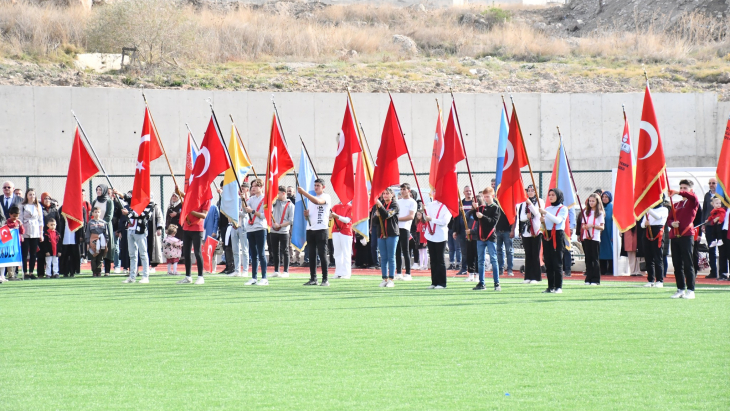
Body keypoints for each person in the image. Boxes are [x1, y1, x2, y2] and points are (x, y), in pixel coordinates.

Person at [667, 179, 700, 299]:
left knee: (688, 263)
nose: (682, 190)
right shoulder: (675, 205)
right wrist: (672, 224)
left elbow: (692, 196)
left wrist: (677, 192)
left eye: (685, 188)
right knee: (677, 264)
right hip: (675, 236)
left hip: (687, 236)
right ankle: (680, 289)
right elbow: (668, 220)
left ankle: (691, 290)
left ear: (690, 190)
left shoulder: (693, 201)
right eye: (681, 187)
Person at [297, 178, 332, 286]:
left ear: (323, 187)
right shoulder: (311, 199)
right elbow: (311, 212)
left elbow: (317, 202)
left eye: (318, 185)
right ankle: (313, 278)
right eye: (315, 185)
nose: (316, 187)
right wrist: (306, 215)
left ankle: (325, 279)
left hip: (321, 229)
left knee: (322, 254)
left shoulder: (326, 197)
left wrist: (304, 193)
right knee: (311, 254)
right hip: (311, 229)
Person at [470, 187, 501, 291]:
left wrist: (482, 216)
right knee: (480, 260)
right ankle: (481, 282)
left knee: (493, 259)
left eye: (487, 196)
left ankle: (496, 283)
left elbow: (492, 222)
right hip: (480, 237)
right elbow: (475, 218)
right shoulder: (482, 207)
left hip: (490, 237)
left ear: (492, 196)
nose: (486, 198)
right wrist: (475, 209)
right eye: (484, 197)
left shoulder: (495, 208)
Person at [176, 189, 209, 285]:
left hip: (197, 228)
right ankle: (188, 276)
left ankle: (200, 276)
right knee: (186, 253)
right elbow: (185, 195)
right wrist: (178, 191)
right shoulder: (192, 196)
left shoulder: (206, 199)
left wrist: (191, 211)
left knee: (197, 252)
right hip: (187, 227)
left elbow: (204, 215)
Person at [539, 188, 569, 294]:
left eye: (553, 195)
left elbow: (558, 220)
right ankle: (550, 286)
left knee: (557, 262)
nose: (550, 197)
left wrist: (545, 213)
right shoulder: (548, 208)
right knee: (549, 262)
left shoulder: (563, 208)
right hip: (547, 236)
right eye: (549, 195)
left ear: (558, 196)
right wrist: (542, 221)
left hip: (557, 235)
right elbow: (546, 224)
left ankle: (558, 287)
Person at [121, 197, 154, 284]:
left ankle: (145, 276)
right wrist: (120, 194)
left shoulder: (149, 204)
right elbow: (127, 198)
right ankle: (132, 276)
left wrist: (128, 213)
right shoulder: (135, 201)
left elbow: (142, 214)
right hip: (130, 229)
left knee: (143, 253)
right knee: (132, 254)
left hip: (140, 231)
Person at [373, 188, 400, 287]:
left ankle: (391, 279)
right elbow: (375, 221)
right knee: (383, 257)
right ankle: (384, 278)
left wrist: (380, 208)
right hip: (381, 234)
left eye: (387, 193)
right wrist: (376, 215)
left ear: (392, 194)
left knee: (391, 256)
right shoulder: (379, 206)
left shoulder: (395, 205)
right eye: (383, 193)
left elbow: (387, 215)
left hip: (391, 233)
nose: (385, 195)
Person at [244, 179, 269, 285]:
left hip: (260, 228)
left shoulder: (265, 199)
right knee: (253, 254)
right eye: (252, 186)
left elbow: (264, 215)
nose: (253, 188)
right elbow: (245, 209)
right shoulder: (251, 199)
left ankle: (264, 277)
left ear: (261, 187)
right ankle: (254, 277)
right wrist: (243, 199)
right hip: (250, 228)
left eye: (255, 186)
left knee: (261, 253)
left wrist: (253, 211)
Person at [424, 198, 452, 289]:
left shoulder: (446, 206)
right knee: (433, 259)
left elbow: (444, 221)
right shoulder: (431, 204)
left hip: (440, 236)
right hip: (430, 234)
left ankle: (442, 283)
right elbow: (425, 217)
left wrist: (432, 219)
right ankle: (434, 282)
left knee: (440, 259)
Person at [641, 199, 669, 287]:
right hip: (647, 232)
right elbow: (641, 224)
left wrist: (647, 208)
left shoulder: (664, 209)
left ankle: (660, 280)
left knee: (658, 257)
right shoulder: (649, 211)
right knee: (648, 258)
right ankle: (650, 279)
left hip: (658, 232)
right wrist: (645, 223)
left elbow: (657, 217)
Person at [518, 185, 542, 284]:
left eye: (532, 190)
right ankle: (528, 276)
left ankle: (536, 277)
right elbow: (521, 217)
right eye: (529, 190)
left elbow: (537, 213)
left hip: (536, 231)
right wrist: (527, 217)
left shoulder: (540, 201)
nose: (530, 192)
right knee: (528, 254)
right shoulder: (523, 203)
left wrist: (530, 204)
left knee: (535, 254)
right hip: (526, 231)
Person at [580, 193, 605, 285]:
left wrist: (592, 226)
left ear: (597, 202)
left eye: (593, 201)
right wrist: (584, 227)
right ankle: (588, 278)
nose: (591, 203)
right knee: (588, 258)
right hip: (586, 237)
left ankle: (595, 279)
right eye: (590, 201)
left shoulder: (600, 213)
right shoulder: (585, 212)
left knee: (594, 258)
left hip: (595, 238)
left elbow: (602, 227)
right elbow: (583, 224)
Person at [91, 184, 115, 276]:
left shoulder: (109, 202)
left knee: (106, 248)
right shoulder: (95, 201)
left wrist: (101, 224)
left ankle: (107, 270)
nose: (98, 191)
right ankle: (97, 270)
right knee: (96, 248)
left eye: (100, 190)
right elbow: (92, 214)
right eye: (97, 190)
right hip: (95, 227)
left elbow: (109, 215)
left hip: (105, 227)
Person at [270, 186, 295, 278]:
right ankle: (276, 270)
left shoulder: (290, 205)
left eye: (278, 193)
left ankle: (285, 271)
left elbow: (291, 220)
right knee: (275, 251)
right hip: (273, 230)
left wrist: (280, 225)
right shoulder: (274, 203)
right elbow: (268, 206)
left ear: (283, 193)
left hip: (284, 231)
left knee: (285, 250)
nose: (276, 195)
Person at [394, 183, 417, 281]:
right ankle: (398, 272)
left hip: (405, 228)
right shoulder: (398, 202)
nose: (402, 191)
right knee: (397, 251)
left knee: (405, 250)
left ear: (409, 190)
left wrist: (398, 219)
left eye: (404, 189)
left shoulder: (412, 202)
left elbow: (411, 216)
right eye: (401, 189)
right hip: (396, 228)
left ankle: (408, 273)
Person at [20, 189, 44, 280]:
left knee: (33, 253)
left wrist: (41, 234)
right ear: (27, 196)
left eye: (33, 194)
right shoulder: (22, 206)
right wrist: (21, 234)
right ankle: (25, 272)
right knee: (25, 253)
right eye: (30, 194)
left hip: (35, 230)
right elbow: (20, 220)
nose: (32, 196)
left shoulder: (38, 206)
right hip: (26, 230)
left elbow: (41, 221)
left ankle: (31, 272)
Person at [57, 203, 85, 278]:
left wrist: (81, 234)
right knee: (65, 254)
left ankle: (73, 270)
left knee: (74, 254)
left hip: (74, 234)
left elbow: (81, 222)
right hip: (65, 233)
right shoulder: (62, 208)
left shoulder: (79, 208)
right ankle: (64, 271)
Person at [230, 182, 250, 278]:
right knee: (235, 249)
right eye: (240, 189)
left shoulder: (249, 200)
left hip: (243, 227)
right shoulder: (236, 200)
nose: (241, 191)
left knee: (245, 249)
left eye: (243, 189)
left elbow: (245, 213)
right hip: (234, 226)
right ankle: (237, 270)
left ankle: (245, 270)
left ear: (247, 190)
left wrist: (235, 213)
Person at [0, 206, 23, 283]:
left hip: (15, 244)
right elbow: (5, 229)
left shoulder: (18, 222)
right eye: (14, 216)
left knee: (12, 258)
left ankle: (10, 274)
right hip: (7, 243)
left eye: (17, 216)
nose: (15, 218)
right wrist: (13, 228)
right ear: (10, 214)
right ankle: (9, 274)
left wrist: (21, 225)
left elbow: (22, 231)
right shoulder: (7, 222)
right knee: (5, 259)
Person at [330, 200, 353, 279]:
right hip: (336, 231)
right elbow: (330, 216)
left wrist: (337, 216)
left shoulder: (351, 207)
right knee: (337, 253)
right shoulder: (336, 206)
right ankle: (338, 272)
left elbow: (347, 220)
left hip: (346, 231)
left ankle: (346, 273)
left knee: (346, 252)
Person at [494, 192, 515, 278]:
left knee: (509, 251)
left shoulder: (510, 203)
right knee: (499, 251)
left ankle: (510, 269)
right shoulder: (495, 203)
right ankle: (500, 269)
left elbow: (514, 217)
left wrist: (512, 230)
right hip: (497, 231)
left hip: (507, 231)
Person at [702, 178, 719, 278]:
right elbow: (704, 210)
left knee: (722, 249)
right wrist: (703, 223)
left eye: (713, 183)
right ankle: (713, 271)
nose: (711, 185)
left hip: (719, 225)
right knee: (711, 249)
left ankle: (723, 272)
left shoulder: (722, 195)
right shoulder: (707, 195)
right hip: (709, 226)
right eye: (710, 183)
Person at [86, 207, 110, 277]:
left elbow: (106, 233)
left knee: (100, 257)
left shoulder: (103, 223)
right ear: (92, 213)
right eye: (95, 212)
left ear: (100, 213)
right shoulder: (90, 222)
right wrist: (88, 243)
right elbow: (88, 233)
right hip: (93, 241)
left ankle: (99, 271)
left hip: (101, 241)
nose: (97, 213)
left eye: (98, 212)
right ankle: (94, 271)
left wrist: (106, 242)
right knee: (94, 257)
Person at [599, 191, 614, 275]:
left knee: (610, 251)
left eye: (606, 197)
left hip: (609, 232)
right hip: (601, 233)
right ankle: (603, 269)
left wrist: (613, 235)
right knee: (602, 251)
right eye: (603, 197)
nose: (604, 199)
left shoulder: (612, 207)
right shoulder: (600, 207)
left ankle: (611, 269)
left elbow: (613, 222)